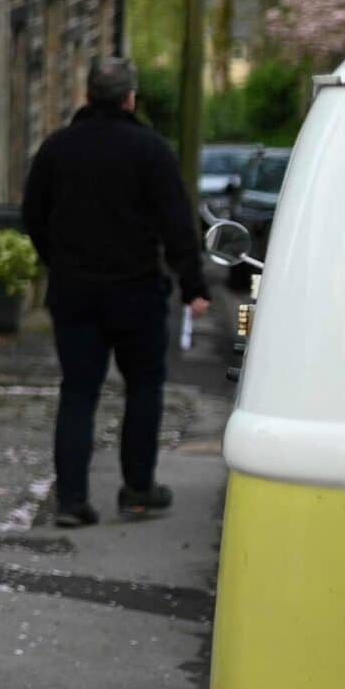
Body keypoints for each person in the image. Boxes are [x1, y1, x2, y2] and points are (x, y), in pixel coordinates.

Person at [21, 58, 212, 528]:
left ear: (88, 97)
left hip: (74, 293)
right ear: (130, 99)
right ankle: (139, 489)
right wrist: (193, 285)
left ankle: (70, 500)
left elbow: (32, 215)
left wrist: (58, 261)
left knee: (79, 393)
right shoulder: (151, 150)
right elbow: (176, 224)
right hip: (137, 293)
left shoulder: (57, 149)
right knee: (144, 389)